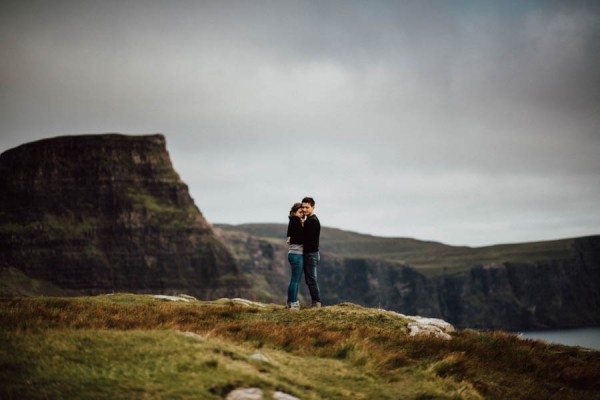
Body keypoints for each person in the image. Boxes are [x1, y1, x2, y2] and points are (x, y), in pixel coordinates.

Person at [301, 196, 321, 308]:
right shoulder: (310, 220)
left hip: (311, 254)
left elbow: (306, 238)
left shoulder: (312, 221)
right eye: (303, 207)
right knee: (310, 280)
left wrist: (302, 226)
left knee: (312, 280)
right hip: (311, 254)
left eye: (307, 207)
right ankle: (315, 303)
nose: (304, 209)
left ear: (313, 207)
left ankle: (316, 303)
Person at [285, 202, 304, 310]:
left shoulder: (292, 221)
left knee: (294, 280)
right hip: (297, 254)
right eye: (300, 212)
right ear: (295, 212)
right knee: (296, 280)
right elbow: (299, 239)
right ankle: (294, 304)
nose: (302, 215)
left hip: (292, 253)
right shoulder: (296, 220)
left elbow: (290, 237)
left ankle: (290, 302)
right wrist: (303, 226)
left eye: (303, 213)